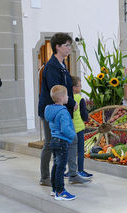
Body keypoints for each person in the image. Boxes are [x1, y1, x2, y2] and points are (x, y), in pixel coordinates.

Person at [38, 32, 89, 186]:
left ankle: (73, 174)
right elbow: (57, 91)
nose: (69, 48)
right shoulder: (51, 67)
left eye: (69, 45)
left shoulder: (62, 65)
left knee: (72, 139)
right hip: (52, 111)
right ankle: (45, 177)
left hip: (64, 109)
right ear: (57, 47)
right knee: (49, 143)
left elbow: (66, 87)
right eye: (66, 45)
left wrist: (72, 101)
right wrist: (71, 102)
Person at [45, 85, 76, 200]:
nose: (68, 97)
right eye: (67, 95)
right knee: (61, 168)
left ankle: (54, 189)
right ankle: (60, 191)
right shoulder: (63, 112)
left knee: (56, 165)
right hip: (62, 142)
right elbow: (65, 129)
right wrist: (73, 135)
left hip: (54, 140)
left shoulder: (50, 110)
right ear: (62, 98)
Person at [71, 76, 93, 178]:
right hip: (79, 128)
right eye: (79, 86)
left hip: (70, 128)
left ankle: (70, 171)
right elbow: (84, 114)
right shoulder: (80, 99)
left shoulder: (67, 98)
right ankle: (80, 170)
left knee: (70, 151)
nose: (81, 87)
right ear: (74, 87)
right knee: (80, 151)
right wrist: (86, 119)